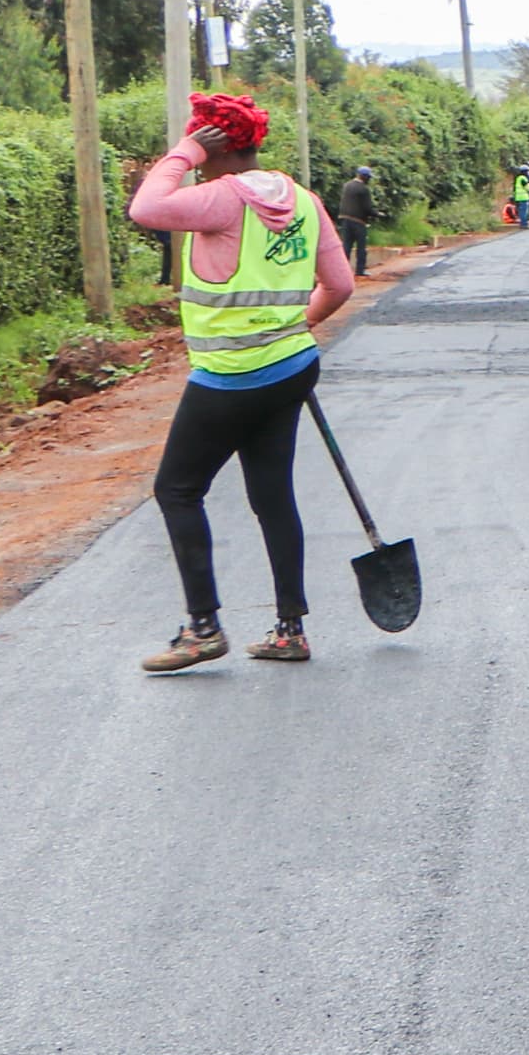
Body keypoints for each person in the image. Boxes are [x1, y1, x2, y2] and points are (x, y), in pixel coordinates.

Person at [127, 93, 357, 670]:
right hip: (290, 366)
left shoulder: (219, 201)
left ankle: (203, 627)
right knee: (272, 495)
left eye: (200, 142)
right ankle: (290, 629)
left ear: (215, 146)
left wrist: (181, 153)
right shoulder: (303, 200)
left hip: (231, 375)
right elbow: (341, 285)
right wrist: (290, 327)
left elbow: (146, 208)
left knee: (177, 490)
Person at [333, 164, 376, 277]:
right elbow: (367, 208)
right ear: (364, 177)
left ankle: (342, 271)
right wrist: (376, 214)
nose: (369, 180)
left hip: (345, 219)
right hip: (358, 221)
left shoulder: (347, 186)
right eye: (368, 177)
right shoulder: (363, 189)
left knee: (346, 245)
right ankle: (360, 270)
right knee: (361, 247)